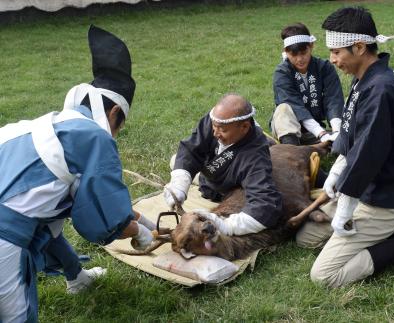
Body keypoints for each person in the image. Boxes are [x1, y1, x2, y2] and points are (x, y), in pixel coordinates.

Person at [0, 25, 156, 323]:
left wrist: (141, 218)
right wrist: (142, 233)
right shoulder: (96, 139)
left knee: (46, 218)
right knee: (15, 316)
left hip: (11, 212)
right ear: (113, 115)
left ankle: (77, 277)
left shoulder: (52, 126)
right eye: (120, 125)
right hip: (2, 236)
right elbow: (106, 219)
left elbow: (64, 201)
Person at [309, 7, 394, 288]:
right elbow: (351, 134)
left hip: (381, 199)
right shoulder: (364, 78)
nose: (332, 59)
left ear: (360, 47)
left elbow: (367, 156)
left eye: (337, 52)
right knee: (306, 236)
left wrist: (343, 211)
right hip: (363, 190)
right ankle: (381, 234)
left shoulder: (381, 90)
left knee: (324, 276)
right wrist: (337, 172)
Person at [164, 94, 283, 236]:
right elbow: (191, 149)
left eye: (223, 130)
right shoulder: (218, 120)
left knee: (178, 164)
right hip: (207, 176)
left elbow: (265, 205)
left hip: (226, 189)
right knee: (177, 161)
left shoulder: (256, 155)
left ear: (245, 127)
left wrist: (224, 225)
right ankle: (192, 180)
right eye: (214, 127)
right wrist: (179, 185)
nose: (215, 133)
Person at [271, 22, 344, 146]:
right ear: (286, 52)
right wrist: (321, 133)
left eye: (303, 53)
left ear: (311, 46)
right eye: (294, 55)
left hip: (315, 130)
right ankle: (291, 150)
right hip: (287, 130)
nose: (300, 59)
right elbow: (294, 105)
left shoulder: (324, 67)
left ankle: (327, 142)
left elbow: (334, 99)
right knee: (283, 109)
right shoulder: (282, 72)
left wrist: (337, 132)